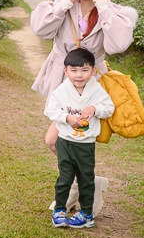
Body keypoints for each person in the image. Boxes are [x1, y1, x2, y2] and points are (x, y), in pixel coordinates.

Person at [30, 0, 137, 154]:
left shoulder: (112, 13)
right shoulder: (64, 5)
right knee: (64, 139)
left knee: (62, 139)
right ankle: (84, 180)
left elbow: (119, 45)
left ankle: (81, 180)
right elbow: (41, 30)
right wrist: (63, 4)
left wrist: (104, 8)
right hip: (64, 78)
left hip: (90, 82)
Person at [45, 47, 114, 228]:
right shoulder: (61, 91)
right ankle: (59, 209)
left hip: (86, 144)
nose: (79, 75)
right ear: (65, 70)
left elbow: (109, 108)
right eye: (73, 70)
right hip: (66, 142)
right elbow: (50, 110)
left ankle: (86, 214)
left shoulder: (96, 90)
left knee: (86, 179)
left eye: (84, 70)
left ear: (93, 70)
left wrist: (95, 109)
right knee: (64, 178)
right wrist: (67, 118)